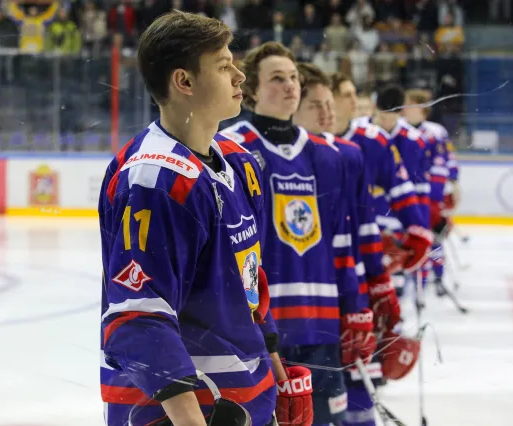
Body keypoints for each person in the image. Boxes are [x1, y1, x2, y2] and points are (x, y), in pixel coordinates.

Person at [98, 11, 300, 426]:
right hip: (189, 412)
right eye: (225, 66)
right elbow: (138, 317)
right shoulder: (154, 180)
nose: (239, 77)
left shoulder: (241, 164)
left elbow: (249, 282)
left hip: (246, 401)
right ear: (184, 82)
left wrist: (275, 370)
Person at [220, 41, 375, 426]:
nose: (290, 86)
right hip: (259, 330)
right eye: (277, 79)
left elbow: (341, 243)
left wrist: (355, 307)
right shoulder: (229, 150)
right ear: (252, 89)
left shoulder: (328, 155)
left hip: (320, 323)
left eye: (293, 78)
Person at [293, 63, 396, 426]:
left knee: (351, 385)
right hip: (307, 309)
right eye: (343, 96)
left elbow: (356, 232)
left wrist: (371, 290)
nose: (334, 110)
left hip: (340, 293)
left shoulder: (348, 153)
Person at [348, 83, 433, 277]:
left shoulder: (414, 141)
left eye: (391, 118)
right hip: (364, 218)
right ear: (376, 110)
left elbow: (417, 188)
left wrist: (421, 226)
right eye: (382, 117)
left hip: (396, 221)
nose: (386, 123)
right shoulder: (357, 133)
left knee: (394, 280)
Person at [402, 89, 453, 296]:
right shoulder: (399, 130)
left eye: (409, 104)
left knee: (434, 240)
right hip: (406, 198)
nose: (404, 108)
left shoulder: (435, 132)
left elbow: (443, 164)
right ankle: (415, 280)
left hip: (428, 199)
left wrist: (437, 197)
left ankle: (438, 276)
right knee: (415, 240)